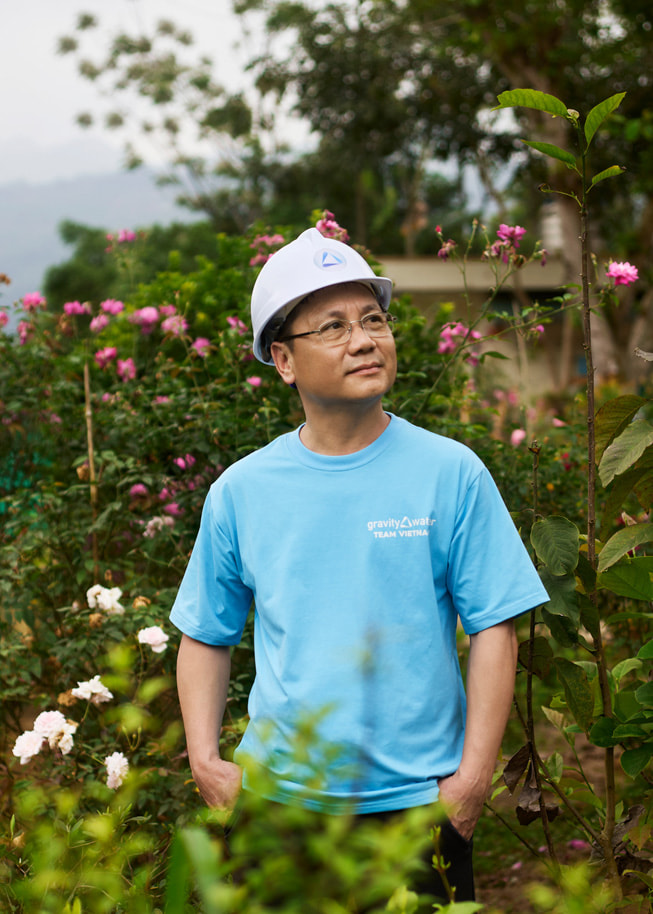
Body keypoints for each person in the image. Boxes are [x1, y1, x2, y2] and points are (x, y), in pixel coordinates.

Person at [170, 227, 548, 903]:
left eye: (374, 319)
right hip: (278, 807)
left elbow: (493, 627)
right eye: (335, 326)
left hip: (417, 807)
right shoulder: (242, 490)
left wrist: (469, 782)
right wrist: (205, 760)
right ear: (283, 359)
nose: (365, 339)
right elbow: (205, 631)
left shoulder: (449, 472)